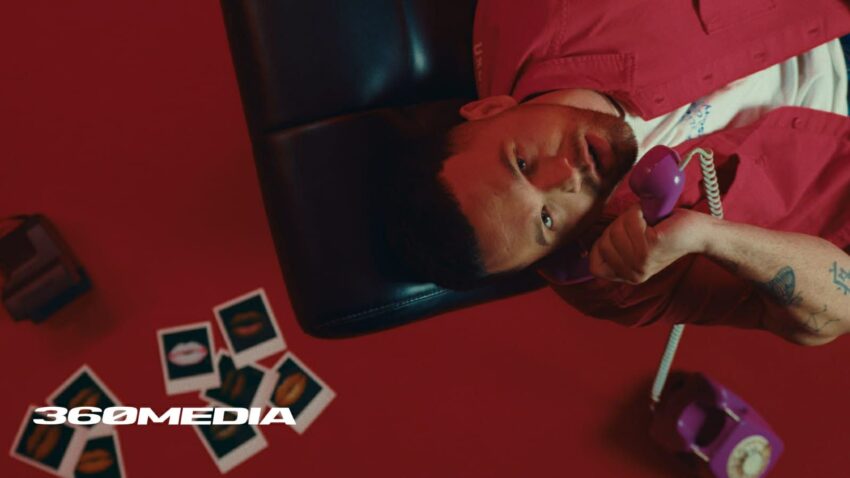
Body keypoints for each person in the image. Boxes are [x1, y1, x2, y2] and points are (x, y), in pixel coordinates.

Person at [385, 0, 850, 346]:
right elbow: (834, 314)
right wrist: (711, 237)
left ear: (490, 108)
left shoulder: (548, 12)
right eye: (547, 219)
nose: (566, 176)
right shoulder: (615, 276)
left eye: (522, 162)